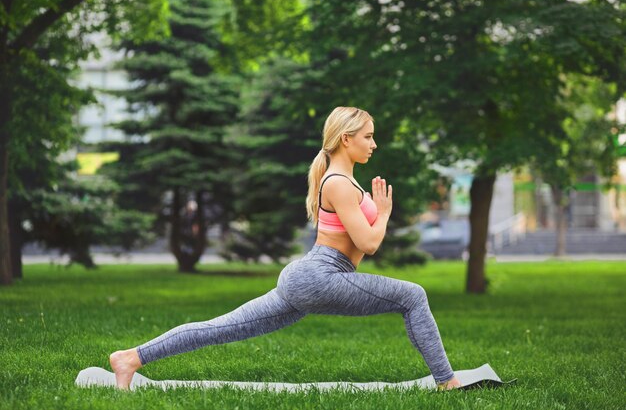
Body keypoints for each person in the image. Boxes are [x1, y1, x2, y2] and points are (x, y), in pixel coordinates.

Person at [109, 106, 462, 390]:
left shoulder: (342, 179)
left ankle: (130, 359)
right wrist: (383, 213)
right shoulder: (338, 183)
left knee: (222, 327)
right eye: (368, 137)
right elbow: (368, 243)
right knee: (412, 296)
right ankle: (447, 381)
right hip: (322, 275)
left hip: (308, 276)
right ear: (345, 138)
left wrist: (375, 209)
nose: (373, 144)